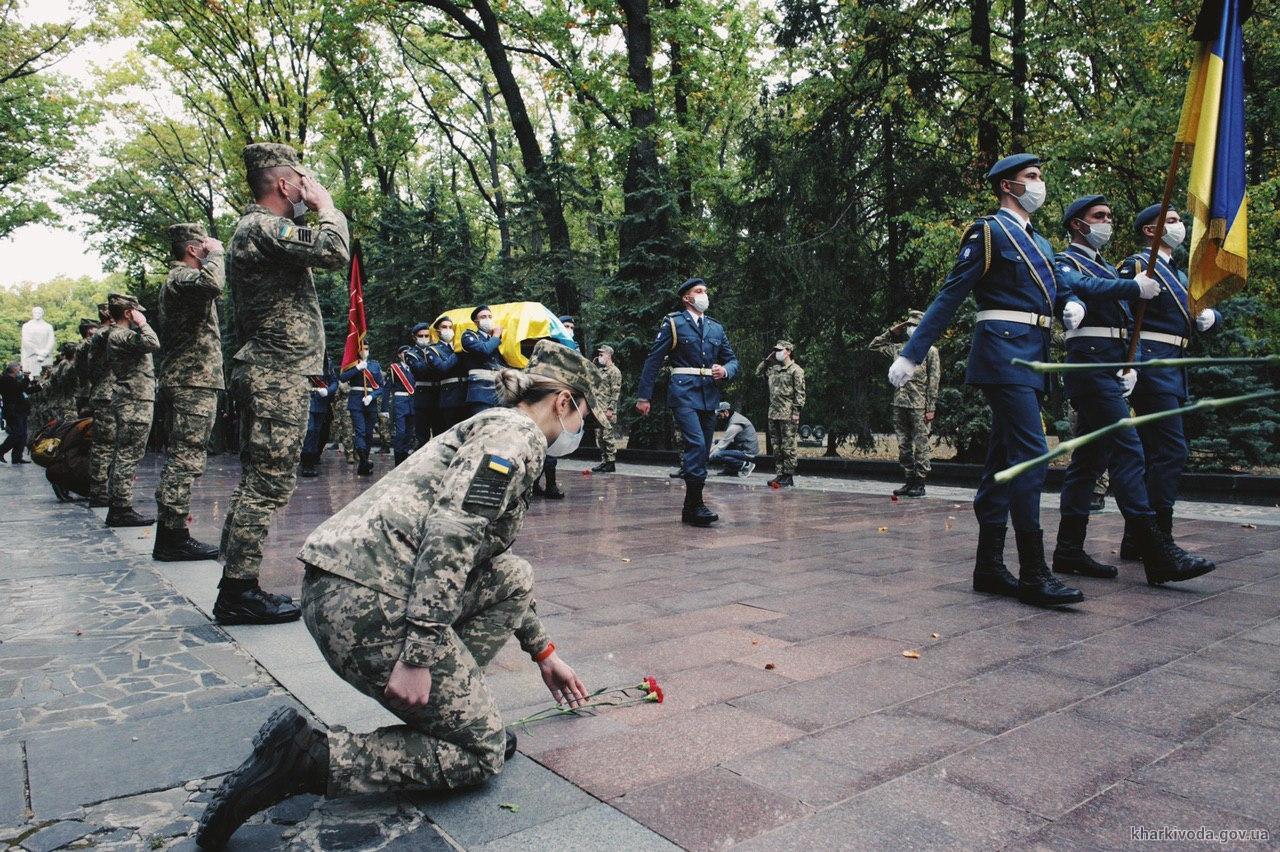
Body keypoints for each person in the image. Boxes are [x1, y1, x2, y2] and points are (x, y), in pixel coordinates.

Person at [195, 340, 600, 849]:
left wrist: (544, 653)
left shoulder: (498, 427)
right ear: (563, 401)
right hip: (367, 604)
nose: (582, 429)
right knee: (483, 755)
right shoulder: (515, 437)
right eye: (584, 413)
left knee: (514, 574)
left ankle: (453, 718)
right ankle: (310, 758)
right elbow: (452, 533)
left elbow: (490, 565)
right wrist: (419, 654)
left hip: (353, 588)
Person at [890, 153, 1154, 608]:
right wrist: (913, 353)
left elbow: (1063, 286)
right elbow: (952, 294)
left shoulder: (1043, 244)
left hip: (1031, 355)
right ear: (1008, 187)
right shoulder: (989, 231)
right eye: (1031, 177)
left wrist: (1069, 303)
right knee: (1032, 455)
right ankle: (1034, 571)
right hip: (1002, 354)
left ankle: (989, 567)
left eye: (1039, 176)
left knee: (1001, 463)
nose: (1039, 183)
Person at [218, 142, 350, 626]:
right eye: (302, 178)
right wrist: (327, 207)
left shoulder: (262, 230)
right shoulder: (263, 227)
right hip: (276, 373)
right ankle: (237, 591)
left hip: (273, 369)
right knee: (268, 482)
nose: (307, 186)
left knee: (259, 478)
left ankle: (236, 578)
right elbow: (334, 250)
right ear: (283, 184)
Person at [1051, 195, 1214, 585]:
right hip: (1090, 366)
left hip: (1111, 368)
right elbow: (1070, 284)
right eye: (1099, 216)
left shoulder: (1107, 266)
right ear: (1077, 224)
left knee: (1089, 460)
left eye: (1109, 216)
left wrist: (1132, 363)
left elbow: (1132, 323)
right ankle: (1156, 551)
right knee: (1130, 449)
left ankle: (1068, 549)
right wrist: (1127, 287)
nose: (1108, 222)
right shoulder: (1066, 260)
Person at [1116, 203, 1222, 573]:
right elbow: (1124, 314)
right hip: (1152, 367)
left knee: (1152, 450)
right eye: (1173, 222)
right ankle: (1159, 538)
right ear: (1151, 230)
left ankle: (1135, 539)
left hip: (1173, 367)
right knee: (1170, 450)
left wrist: (1212, 316)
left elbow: (1201, 304)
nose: (1180, 227)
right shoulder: (1137, 265)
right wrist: (1133, 364)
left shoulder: (1177, 271)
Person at [636, 277, 739, 526]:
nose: (704, 295)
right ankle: (697, 505)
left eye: (705, 290)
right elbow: (653, 360)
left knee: (703, 448)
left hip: (709, 395)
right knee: (695, 444)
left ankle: (691, 506)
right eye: (698, 291)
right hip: (683, 394)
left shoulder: (716, 328)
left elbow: (733, 360)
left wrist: (724, 371)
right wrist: (644, 396)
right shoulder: (673, 323)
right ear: (687, 298)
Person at [153, 224, 225, 560]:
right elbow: (213, 282)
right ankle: (173, 537)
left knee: (184, 457)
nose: (210, 247)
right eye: (204, 244)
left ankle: (173, 530)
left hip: (189, 379)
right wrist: (219, 252)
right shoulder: (182, 277)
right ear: (193, 249)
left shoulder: (181, 281)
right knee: (185, 458)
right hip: (191, 380)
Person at [104, 293, 160, 528]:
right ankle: (120, 508)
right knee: (128, 455)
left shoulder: (118, 335)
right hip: (134, 401)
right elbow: (153, 343)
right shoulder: (121, 334)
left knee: (125, 454)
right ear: (128, 313)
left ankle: (119, 506)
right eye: (136, 311)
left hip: (132, 399)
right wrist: (143, 323)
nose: (140, 314)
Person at [870, 314, 938, 497]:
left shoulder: (930, 351)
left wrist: (931, 407)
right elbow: (874, 346)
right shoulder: (899, 349)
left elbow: (934, 381)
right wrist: (893, 331)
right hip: (899, 403)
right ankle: (909, 481)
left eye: (915, 325)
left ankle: (920, 483)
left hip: (919, 405)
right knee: (903, 445)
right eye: (910, 325)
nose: (912, 328)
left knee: (921, 445)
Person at [756, 339, 807, 488]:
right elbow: (758, 373)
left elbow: (800, 393)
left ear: (788, 351)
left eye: (780, 350)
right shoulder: (773, 369)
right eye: (776, 350)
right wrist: (767, 360)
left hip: (788, 413)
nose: (777, 353)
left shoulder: (796, 370)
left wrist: (796, 412)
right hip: (774, 413)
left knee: (788, 446)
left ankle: (788, 475)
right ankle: (780, 474)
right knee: (776, 446)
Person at [85, 302, 115, 506]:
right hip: (108, 394)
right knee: (105, 445)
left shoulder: (93, 339)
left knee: (102, 444)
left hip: (101, 391)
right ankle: (100, 491)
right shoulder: (104, 335)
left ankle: (99, 488)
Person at [340, 345, 384, 476]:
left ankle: (364, 461)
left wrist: (372, 396)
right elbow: (342, 378)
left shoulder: (375, 365)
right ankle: (363, 460)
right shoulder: (352, 364)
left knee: (369, 433)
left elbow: (381, 387)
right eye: (362, 348)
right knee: (360, 431)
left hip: (370, 401)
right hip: (356, 401)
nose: (365, 350)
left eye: (367, 348)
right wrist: (358, 368)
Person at [461, 305, 505, 417]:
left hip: (498, 391)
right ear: (476, 322)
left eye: (490, 316)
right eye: (483, 317)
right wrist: (496, 336)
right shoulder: (469, 336)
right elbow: (484, 350)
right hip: (480, 393)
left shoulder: (494, 340)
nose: (488, 319)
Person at [300, 358, 337, 478]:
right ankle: (306, 461)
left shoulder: (327, 361)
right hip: (305, 399)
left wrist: (327, 390)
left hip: (321, 401)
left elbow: (334, 382)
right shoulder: (303, 357)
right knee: (309, 430)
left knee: (316, 432)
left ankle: (312, 459)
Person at [591, 344, 623, 473]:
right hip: (599, 409)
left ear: (609, 355)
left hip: (607, 410)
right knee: (600, 437)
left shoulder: (614, 371)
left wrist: (611, 409)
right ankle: (604, 462)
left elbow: (615, 392)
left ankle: (611, 462)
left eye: (601, 354)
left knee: (608, 437)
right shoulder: (601, 371)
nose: (599, 357)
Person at [386, 346, 418, 466]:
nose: (408, 355)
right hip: (400, 401)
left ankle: (404, 458)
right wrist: (384, 408)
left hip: (413, 401)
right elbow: (387, 388)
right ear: (400, 355)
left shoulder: (415, 367)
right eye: (405, 353)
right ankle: (398, 460)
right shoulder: (395, 368)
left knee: (410, 433)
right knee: (400, 432)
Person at [708, 401, 757, 476]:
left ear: (726, 412)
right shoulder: (734, 418)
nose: (718, 417)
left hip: (747, 452)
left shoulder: (735, 424)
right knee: (717, 442)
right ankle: (732, 470)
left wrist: (707, 458)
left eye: (719, 414)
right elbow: (722, 442)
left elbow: (722, 445)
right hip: (742, 446)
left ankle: (746, 465)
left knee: (717, 455)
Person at [0, 363, 35, 464]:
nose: (20, 371)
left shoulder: (13, 380)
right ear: (14, 370)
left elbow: (23, 391)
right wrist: (26, 378)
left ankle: (17, 457)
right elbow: (19, 389)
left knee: (23, 435)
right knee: (17, 433)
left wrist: (38, 387)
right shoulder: (6, 379)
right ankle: (1, 450)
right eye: (19, 369)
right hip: (13, 411)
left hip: (20, 410)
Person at [72, 317, 99, 416]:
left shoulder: (83, 345)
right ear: (90, 330)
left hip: (86, 391)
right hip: (87, 393)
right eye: (97, 328)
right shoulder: (86, 344)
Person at [20, 306, 55, 377]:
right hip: (31, 357)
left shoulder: (48, 326)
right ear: (32, 313)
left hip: (45, 357)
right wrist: (38, 352)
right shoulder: (26, 326)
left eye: (39, 312)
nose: (37, 314)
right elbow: (26, 341)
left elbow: (51, 340)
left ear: (42, 314)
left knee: (45, 378)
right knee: (31, 379)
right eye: (35, 312)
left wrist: (46, 352)